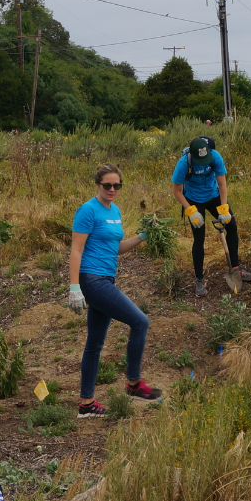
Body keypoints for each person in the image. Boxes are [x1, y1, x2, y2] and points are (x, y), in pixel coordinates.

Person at [68, 164, 162, 418]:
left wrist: (143, 236)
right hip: (92, 280)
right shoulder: (88, 210)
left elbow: (116, 248)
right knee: (140, 322)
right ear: (97, 185)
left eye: (116, 186)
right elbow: (76, 250)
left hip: (106, 280)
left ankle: (86, 404)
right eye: (107, 185)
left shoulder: (115, 210)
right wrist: (74, 286)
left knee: (94, 344)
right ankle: (134, 384)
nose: (112, 190)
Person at [171, 136, 251, 298]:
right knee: (199, 237)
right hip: (194, 200)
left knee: (232, 226)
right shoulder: (183, 163)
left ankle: (236, 268)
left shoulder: (215, 156)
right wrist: (190, 211)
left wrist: (224, 209)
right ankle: (199, 280)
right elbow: (176, 191)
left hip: (214, 195)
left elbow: (222, 184)